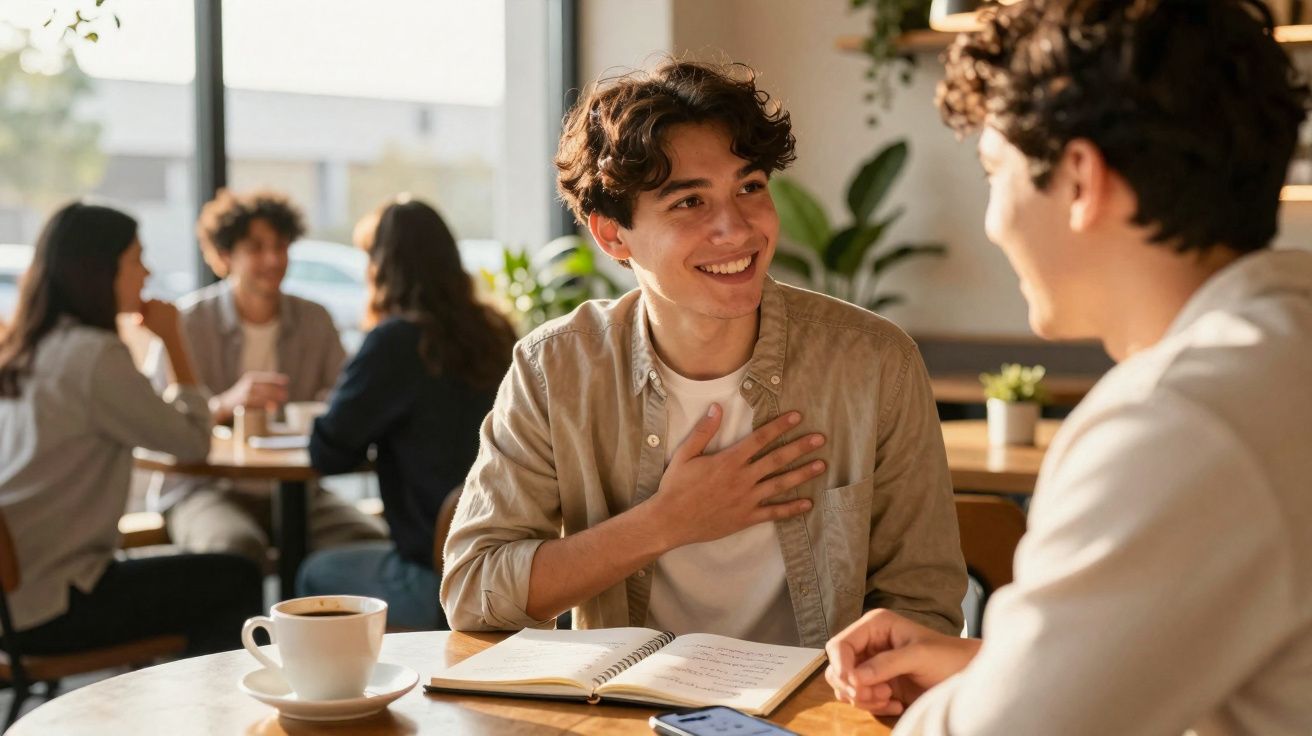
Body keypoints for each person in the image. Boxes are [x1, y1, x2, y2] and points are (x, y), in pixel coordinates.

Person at [824, 1, 1312, 733]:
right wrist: (1006, 663)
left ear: (1080, 178)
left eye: (996, 172)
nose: (993, 221)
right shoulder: (1284, 341)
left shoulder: (1175, 425)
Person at [441, 60, 967, 647]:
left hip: (818, 715)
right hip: (622, 711)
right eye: (689, 203)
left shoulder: (875, 363)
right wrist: (665, 523)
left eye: (750, 187)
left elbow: (924, 604)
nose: (738, 229)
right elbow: (474, 590)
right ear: (612, 235)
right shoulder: (555, 369)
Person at [0, 202, 262, 655]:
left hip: (16, 599)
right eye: (136, 259)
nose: (146, 272)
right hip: (56, 601)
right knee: (235, 576)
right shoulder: (94, 356)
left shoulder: (30, 346)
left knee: (204, 574)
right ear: (100, 270)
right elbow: (192, 442)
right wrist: (174, 340)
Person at [295, 197, 516, 630]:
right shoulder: (495, 331)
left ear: (382, 267)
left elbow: (327, 452)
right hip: (505, 566)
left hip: (433, 577)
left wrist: (339, 401)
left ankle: (339, 693)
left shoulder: (395, 342)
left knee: (314, 573)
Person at [144, 189, 386, 565]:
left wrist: (323, 405)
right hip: (203, 488)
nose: (272, 259)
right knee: (235, 551)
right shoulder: (188, 323)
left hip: (297, 491)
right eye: (256, 248)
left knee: (368, 544)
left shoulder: (314, 319)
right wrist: (226, 403)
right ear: (224, 256)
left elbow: (346, 395)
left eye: (280, 246)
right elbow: (156, 421)